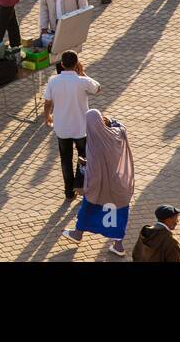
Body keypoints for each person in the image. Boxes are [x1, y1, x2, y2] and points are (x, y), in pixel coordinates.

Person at [61, 108, 133, 257]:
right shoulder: (115, 134)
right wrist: (111, 121)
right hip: (116, 183)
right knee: (118, 214)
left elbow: (93, 171)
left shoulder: (93, 144)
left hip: (100, 186)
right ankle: (118, 246)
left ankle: (77, 233)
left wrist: (82, 167)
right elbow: (122, 128)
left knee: (87, 210)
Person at [43, 50, 100, 201]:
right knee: (84, 157)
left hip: (62, 127)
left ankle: (68, 191)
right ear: (76, 64)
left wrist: (47, 116)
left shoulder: (53, 81)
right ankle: (79, 183)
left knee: (65, 159)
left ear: (61, 64)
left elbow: (47, 102)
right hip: (81, 127)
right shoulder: (82, 81)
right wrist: (83, 73)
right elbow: (98, 88)